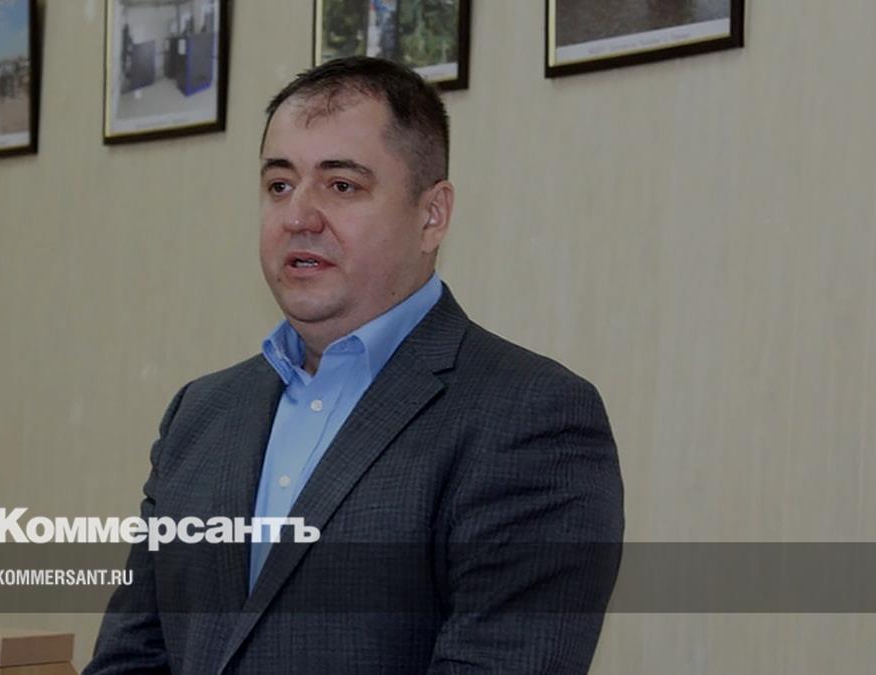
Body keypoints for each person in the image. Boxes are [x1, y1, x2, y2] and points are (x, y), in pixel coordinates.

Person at [83, 56, 624, 674]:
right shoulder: (200, 414)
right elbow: (131, 659)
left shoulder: (532, 417)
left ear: (432, 215)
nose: (298, 217)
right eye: (279, 185)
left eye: (341, 186)